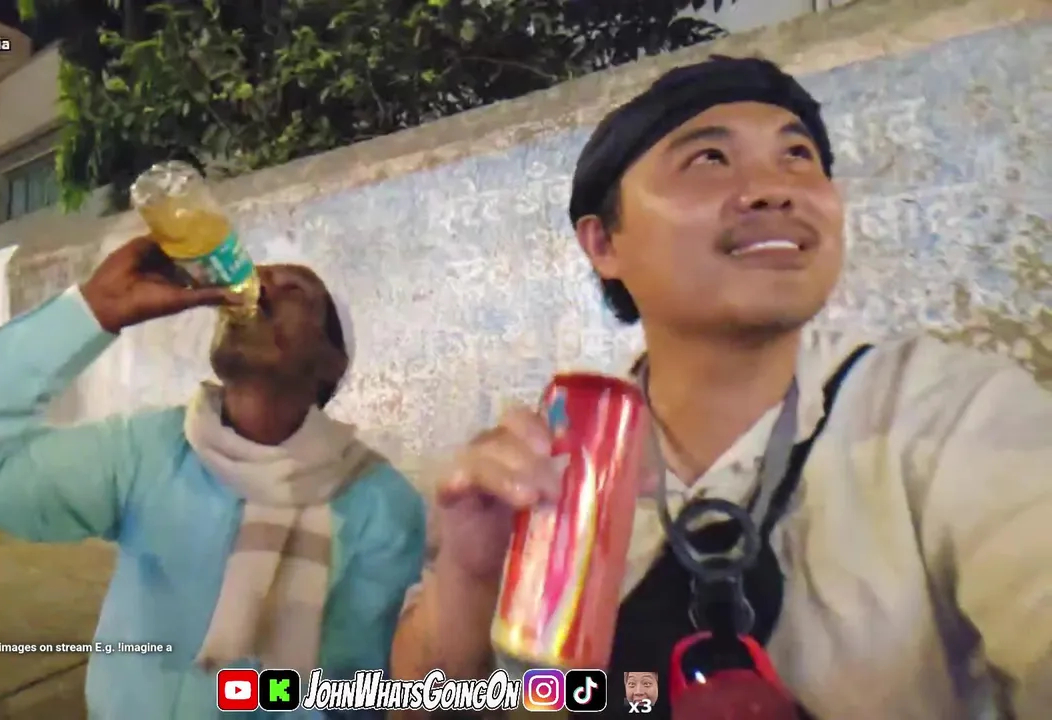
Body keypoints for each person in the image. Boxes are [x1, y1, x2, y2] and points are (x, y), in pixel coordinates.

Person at [391, 56, 1052, 719]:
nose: (774, 189)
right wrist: (469, 577)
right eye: (708, 159)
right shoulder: (555, 462)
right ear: (604, 243)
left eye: (798, 156)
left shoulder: (950, 413)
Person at [0, 236, 426, 719]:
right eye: (255, 279)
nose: (261, 289)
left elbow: (359, 694)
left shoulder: (379, 506)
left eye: (296, 292)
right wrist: (90, 312)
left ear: (333, 363)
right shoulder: (146, 451)